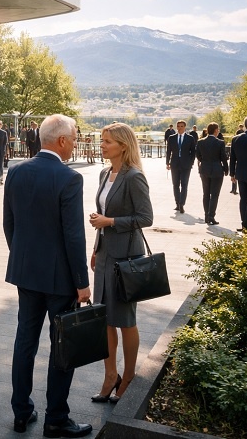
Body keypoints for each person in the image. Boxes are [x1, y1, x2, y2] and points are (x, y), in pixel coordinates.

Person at [3, 114, 92, 437]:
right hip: (59, 280)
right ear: (62, 141)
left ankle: (21, 412)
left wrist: (23, 258)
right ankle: (56, 417)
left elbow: (9, 224)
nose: (77, 142)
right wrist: (82, 282)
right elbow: (74, 236)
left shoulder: (16, 171)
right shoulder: (69, 178)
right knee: (61, 346)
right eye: (75, 137)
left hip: (26, 273)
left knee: (24, 342)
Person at [88, 123, 153, 406]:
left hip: (126, 257)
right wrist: (95, 247)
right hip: (104, 255)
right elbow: (103, 214)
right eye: (102, 141)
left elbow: (146, 218)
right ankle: (109, 375)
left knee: (125, 320)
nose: (101, 145)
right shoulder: (105, 173)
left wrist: (111, 222)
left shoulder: (134, 176)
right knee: (104, 319)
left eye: (107, 142)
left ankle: (127, 378)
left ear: (123, 146)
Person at [195, 123, 229, 225]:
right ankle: (211, 216)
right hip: (217, 170)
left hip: (204, 169)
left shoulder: (200, 142)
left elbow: (197, 155)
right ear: (215, 130)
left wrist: (204, 161)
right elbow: (223, 157)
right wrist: (226, 169)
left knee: (206, 193)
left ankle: (206, 215)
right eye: (217, 129)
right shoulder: (220, 142)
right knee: (214, 194)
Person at [165, 120, 195, 213]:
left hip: (186, 165)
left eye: (181, 126)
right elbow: (168, 151)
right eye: (178, 126)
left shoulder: (190, 138)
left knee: (184, 184)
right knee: (175, 185)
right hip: (174, 164)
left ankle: (182, 204)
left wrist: (191, 163)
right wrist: (167, 163)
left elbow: (193, 152)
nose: (179, 128)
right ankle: (177, 203)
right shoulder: (171, 138)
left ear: (185, 127)